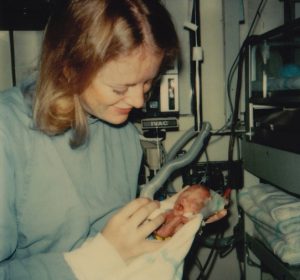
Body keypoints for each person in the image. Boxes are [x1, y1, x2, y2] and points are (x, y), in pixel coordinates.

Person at [0, 0, 226, 279]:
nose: (138, 101)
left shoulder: (123, 134)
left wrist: (174, 214)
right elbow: (107, 252)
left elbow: (117, 237)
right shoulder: (7, 134)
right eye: (120, 88)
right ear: (69, 69)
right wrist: (97, 260)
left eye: (147, 82)